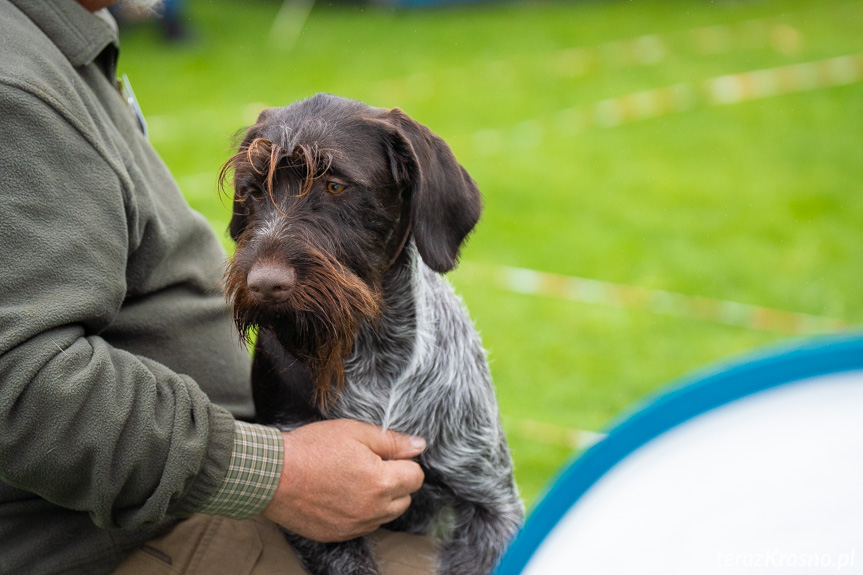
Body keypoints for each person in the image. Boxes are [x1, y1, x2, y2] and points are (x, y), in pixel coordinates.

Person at [0, 0, 436, 573]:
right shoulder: (19, 90)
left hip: (186, 499)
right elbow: (24, 387)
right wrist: (279, 473)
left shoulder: (62, 41)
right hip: (124, 542)